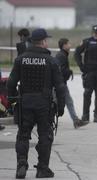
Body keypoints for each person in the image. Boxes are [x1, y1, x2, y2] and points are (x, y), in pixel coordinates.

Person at [7, 28, 65, 179]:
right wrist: (61, 106)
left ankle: (21, 165)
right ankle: (42, 169)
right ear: (44, 42)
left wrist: (12, 100)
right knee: (45, 135)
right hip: (44, 104)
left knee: (23, 135)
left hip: (25, 102)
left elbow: (11, 82)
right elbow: (60, 86)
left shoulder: (21, 59)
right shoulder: (51, 61)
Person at [55, 38, 88, 129]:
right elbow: (60, 69)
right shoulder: (61, 55)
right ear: (64, 45)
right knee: (63, 102)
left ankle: (76, 121)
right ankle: (76, 121)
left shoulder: (63, 54)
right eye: (68, 43)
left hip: (61, 83)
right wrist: (68, 71)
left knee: (67, 102)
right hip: (60, 83)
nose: (70, 45)